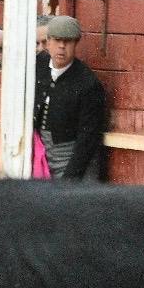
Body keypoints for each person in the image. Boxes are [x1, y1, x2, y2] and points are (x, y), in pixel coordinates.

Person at [33, 16, 106, 180]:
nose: (61, 47)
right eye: (57, 40)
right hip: (41, 152)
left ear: (76, 44)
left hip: (71, 156)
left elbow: (87, 139)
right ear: (48, 41)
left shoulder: (88, 84)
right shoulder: (38, 65)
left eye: (68, 42)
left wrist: (70, 178)